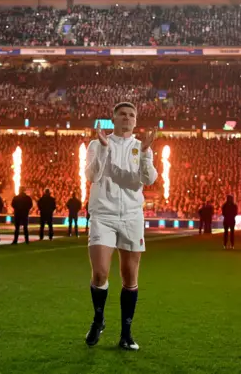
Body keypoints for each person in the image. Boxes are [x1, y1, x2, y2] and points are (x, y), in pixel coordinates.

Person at [84, 102, 158, 351]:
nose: (127, 118)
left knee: (129, 277)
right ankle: (98, 319)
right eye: (122, 115)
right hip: (103, 215)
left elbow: (149, 179)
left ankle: (126, 334)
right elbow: (92, 176)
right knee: (100, 273)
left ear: (135, 121)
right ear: (113, 119)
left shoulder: (140, 147)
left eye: (131, 115)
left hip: (131, 216)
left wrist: (147, 153)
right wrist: (104, 151)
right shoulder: (97, 144)